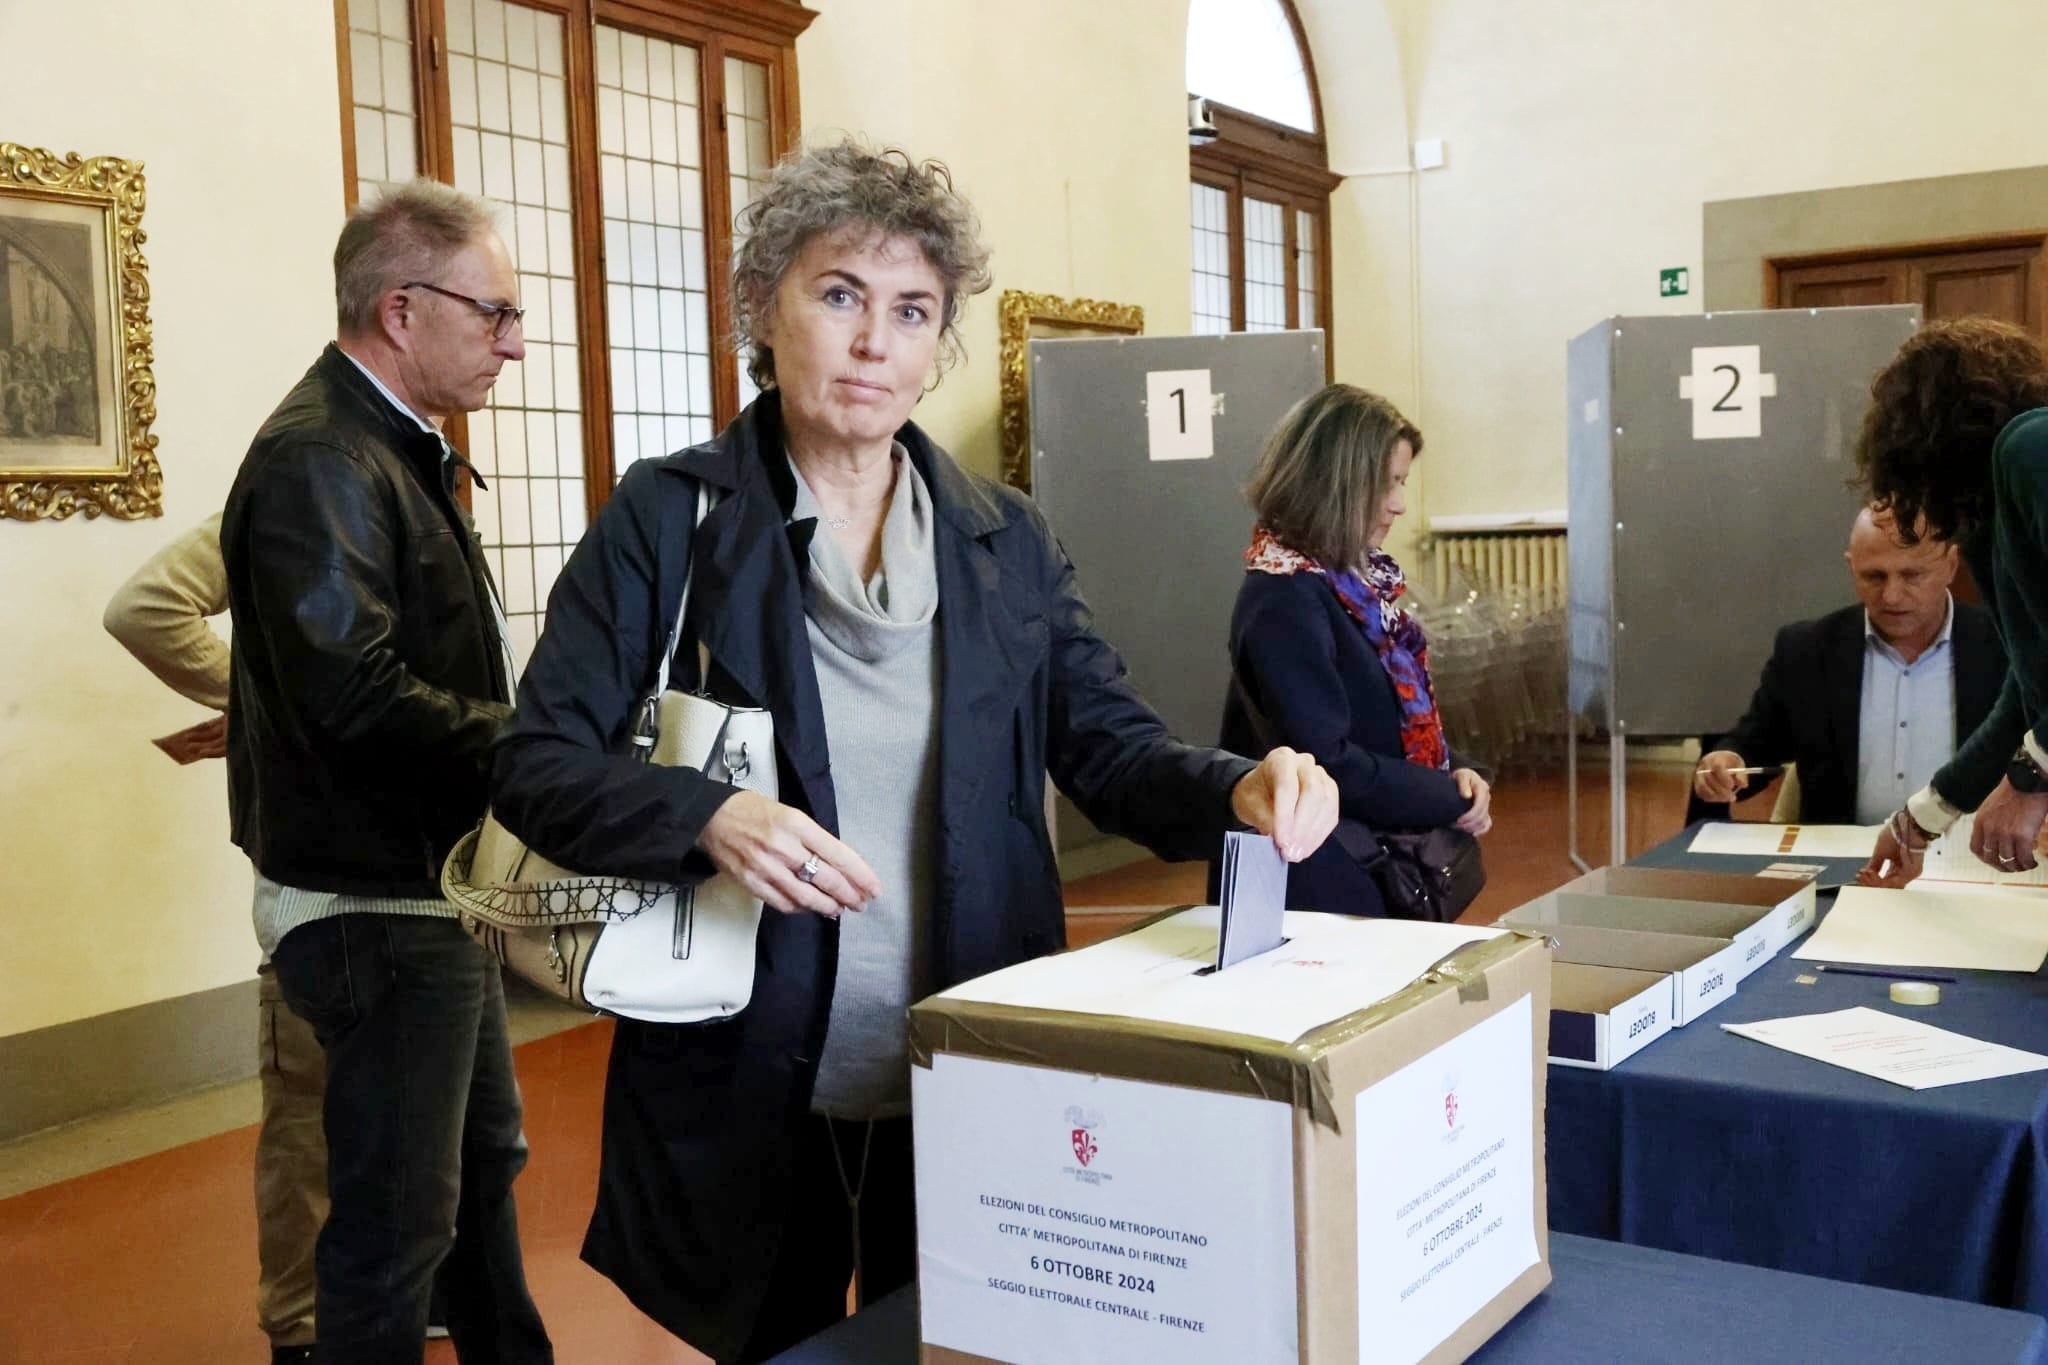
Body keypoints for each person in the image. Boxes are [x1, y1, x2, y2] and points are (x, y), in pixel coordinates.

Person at [487, 139, 1340, 1364]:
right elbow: (536, 761)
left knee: (956, 1341)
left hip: (970, 1048)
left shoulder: (1003, 539)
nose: (872, 341)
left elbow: (1102, 745)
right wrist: (705, 816)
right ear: (760, 306)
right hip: (750, 1062)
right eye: (837, 296)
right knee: (772, 1341)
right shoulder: (671, 518)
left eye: (910, 311)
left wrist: (1237, 785)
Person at [220, 179, 551, 1363]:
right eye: (495, 314)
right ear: (402, 311)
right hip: (373, 902)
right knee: (394, 1224)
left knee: (477, 1168)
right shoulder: (324, 457)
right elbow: (348, 694)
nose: (513, 343)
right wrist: (537, 748)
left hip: (423, 887)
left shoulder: (391, 445)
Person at [106, 517, 323, 1364]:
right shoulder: (294, 477)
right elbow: (147, 608)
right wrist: (271, 694)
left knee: (445, 1119)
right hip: (314, 885)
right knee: (308, 1119)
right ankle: (301, 1330)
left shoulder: (431, 489)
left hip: (417, 882)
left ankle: (425, 1286)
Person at [1213, 384, 1491, 917]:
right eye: (1386, 484)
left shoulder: (1348, 586)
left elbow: (1391, 723)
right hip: (1313, 884)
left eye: (1401, 483)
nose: (1399, 505)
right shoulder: (1285, 595)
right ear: (1336, 482)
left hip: (1351, 865)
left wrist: (1461, 769)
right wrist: (1446, 796)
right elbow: (1328, 761)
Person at [1856, 318, 2048, 884]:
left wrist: (2030, 777)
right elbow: (2032, 688)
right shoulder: (1994, 511)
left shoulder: (2031, 447)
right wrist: (1922, 819)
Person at [1689, 505, 2004, 826]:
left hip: (1968, 861)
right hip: (1841, 860)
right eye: (1874, 576)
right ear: (1852, 567)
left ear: (1951, 565)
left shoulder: (2003, 648)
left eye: (1912, 576)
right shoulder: (1807, 650)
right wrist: (1726, 764)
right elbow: (1754, 744)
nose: (1892, 596)